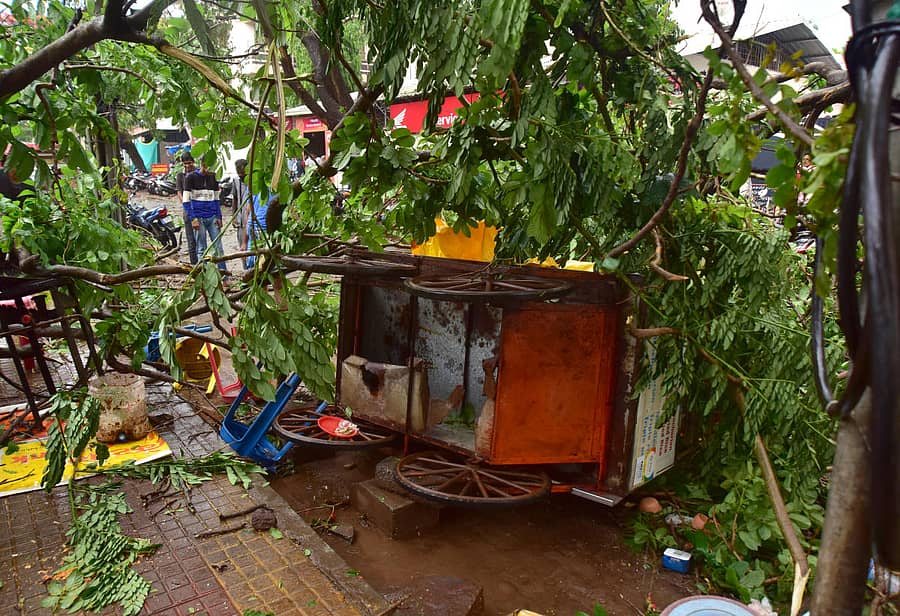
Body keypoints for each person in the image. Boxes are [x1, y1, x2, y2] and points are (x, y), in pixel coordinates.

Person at [183, 157, 227, 272]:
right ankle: (204, 274)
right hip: (198, 217)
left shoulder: (214, 177)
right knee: (202, 249)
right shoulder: (190, 177)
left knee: (218, 247)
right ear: (202, 165)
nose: (209, 169)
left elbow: (217, 200)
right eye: (207, 166)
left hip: (212, 217)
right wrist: (193, 218)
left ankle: (223, 273)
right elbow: (186, 201)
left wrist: (219, 216)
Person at [240, 191, 275, 270]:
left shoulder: (253, 186)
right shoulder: (275, 187)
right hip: (262, 228)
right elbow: (248, 211)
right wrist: (244, 242)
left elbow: (247, 212)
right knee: (266, 265)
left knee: (257, 263)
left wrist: (244, 242)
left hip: (254, 227)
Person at [175, 153, 198, 265]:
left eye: (189, 163)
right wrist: (185, 203)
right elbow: (179, 192)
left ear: (193, 162)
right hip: (188, 210)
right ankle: (194, 265)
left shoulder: (198, 173)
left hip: (200, 209)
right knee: (191, 240)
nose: (187, 166)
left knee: (200, 239)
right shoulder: (180, 175)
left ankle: (203, 264)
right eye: (185, 164)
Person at [231, 159, 250, 263]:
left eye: (244, 175)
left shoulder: (253, 181)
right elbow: (234, 199)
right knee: (242, 248)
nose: (242, 178)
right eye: (240, 175)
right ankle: (246, 268)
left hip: (251, 221)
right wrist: (234, 216)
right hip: (241, 221)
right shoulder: (236, 181)